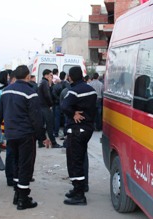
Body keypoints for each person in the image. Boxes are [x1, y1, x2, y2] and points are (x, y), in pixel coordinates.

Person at [0, 65, 49, 210]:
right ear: (27, 76)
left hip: (11, 134)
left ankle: (17, 194)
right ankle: (23, 199)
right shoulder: (30, 93)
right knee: (25, 166)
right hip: (25, 135)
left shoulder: (5, 92)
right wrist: (42, 137)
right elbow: (36, 118)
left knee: (16, 163)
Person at [61, 66, 97, 205]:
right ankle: (77, 189)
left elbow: (64, 106)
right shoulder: (91, 89)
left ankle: (79, 195)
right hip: (87, 128)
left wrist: (73, 114)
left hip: (77, 130)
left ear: (70, 77)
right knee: (80, 159)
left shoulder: (74, 91)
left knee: (75, 161)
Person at [37, 69, 61, 148]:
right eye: (51, 75)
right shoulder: (45, 83)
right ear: (46, 75)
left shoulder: (41, 82)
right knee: (49, 125)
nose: (52, 77)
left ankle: (41, 142)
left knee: (42, 126)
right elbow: (47, 95)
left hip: (40, 106)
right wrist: (51, 104)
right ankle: (53, 143)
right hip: (45, 107)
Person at [51, 71, 69, 137]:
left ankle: (56, 132)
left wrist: (58, 99)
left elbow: (53, 94)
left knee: (56, 119)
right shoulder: (67, 85)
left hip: (56, 104)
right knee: (65, 118)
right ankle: (65, 132)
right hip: (64, 104)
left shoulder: (55, 86)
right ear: (65, 77)